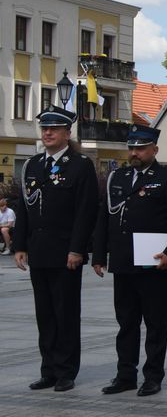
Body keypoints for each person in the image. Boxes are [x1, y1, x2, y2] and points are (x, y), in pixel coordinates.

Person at [92, 124, 167, 397]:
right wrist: (98, 254)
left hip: (153, 262)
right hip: (123, 262)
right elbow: (104, 218)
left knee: (155, 324)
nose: (135, 153)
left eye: (141, 148)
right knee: (126, 324)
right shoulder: (117, 177)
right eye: (132, 147)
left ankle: (153, 376)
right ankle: (125, 375)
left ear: (154, 150)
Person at [13, 105, 98, 392]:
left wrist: (77, 249)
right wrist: (19, 245)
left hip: (65, 253)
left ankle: (65, 371)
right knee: (45, 314)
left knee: (65, 313)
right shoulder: (33, 165)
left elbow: (85, 211)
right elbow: (24, 208)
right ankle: (48, 369)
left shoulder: (80, 165)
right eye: (45, 129)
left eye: (54, 129)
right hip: (39, 251)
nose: (48, 133)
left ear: (67, 133)